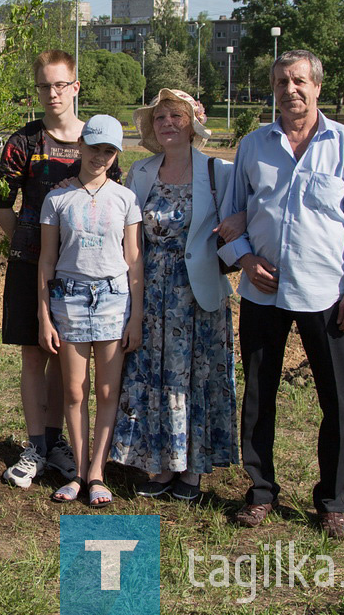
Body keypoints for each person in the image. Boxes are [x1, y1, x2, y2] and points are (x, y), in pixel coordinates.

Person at [219, 50, 344, 538]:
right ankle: (260, 490)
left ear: (317, 87)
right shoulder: (253, 146)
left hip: (327, 293)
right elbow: (232, 215)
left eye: (300, 81)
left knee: (337, 399)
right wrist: (246, 259)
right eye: (282, 82)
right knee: (258, 394)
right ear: (272, 89)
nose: (291, 90)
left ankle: (333, 500)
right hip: (262, 291)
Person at [110, 89, 238, 502]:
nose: (167, 122)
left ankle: (192, 472)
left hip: (197, 297)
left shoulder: (220, 172)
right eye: (160, 117)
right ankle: (160, 467)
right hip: (150, 296)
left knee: (194, 380)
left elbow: (244, 219)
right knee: (153, 377)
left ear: (193, 124)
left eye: (176, 116)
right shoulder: (141, 173)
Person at [37, 114, 143, 507]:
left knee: (106, 390)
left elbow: (134, 260)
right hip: (70, 300)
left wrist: (136, 316)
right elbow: (47, 261)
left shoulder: (125, 199)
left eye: (109, 151)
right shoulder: (57, 199)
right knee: (73, 390)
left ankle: (98, 472)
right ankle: (78, 472)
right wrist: (44, 314)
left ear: (116, 154)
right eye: (94, 147)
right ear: (80, 146)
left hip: (115, 300)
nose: (100, 156)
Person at [0, 50, 85, 488]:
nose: (53, 93)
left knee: (68, 357)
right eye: (45, 86)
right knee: (35, 354)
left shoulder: (95, 142)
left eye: (60, 84)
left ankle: (56, 441)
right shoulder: (23, 142)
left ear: (75, 87)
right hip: (31, 268)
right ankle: (36, 447)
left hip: (84, 273)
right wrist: (28, 242)